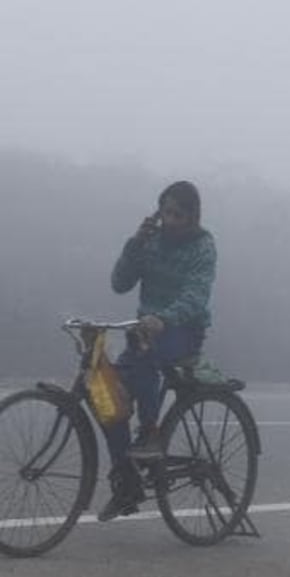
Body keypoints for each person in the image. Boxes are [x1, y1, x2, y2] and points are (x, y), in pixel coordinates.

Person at [96, 180, 218, 521]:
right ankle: (127, 482)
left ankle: (150, 434)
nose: (171, 221)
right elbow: (120, 284)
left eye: (178, 214)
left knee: (146, 353)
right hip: (144, 329)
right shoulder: (150, 241)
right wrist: (135, 243)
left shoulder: (203, 247)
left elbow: (196, 295)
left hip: (184, 330)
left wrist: (164, 319)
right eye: (166, 213)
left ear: (193, 216)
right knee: (107, 396)